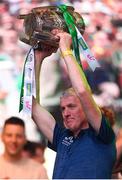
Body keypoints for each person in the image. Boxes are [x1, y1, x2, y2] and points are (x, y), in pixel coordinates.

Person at [32, 30, 116, 179]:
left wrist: (66, 50)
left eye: (71, 106)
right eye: (63, 108)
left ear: (86, 107)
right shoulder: (61, 137)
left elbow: (82, 92)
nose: (66, 113)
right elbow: (30, 106)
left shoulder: (102, 134)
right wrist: (38, 58)